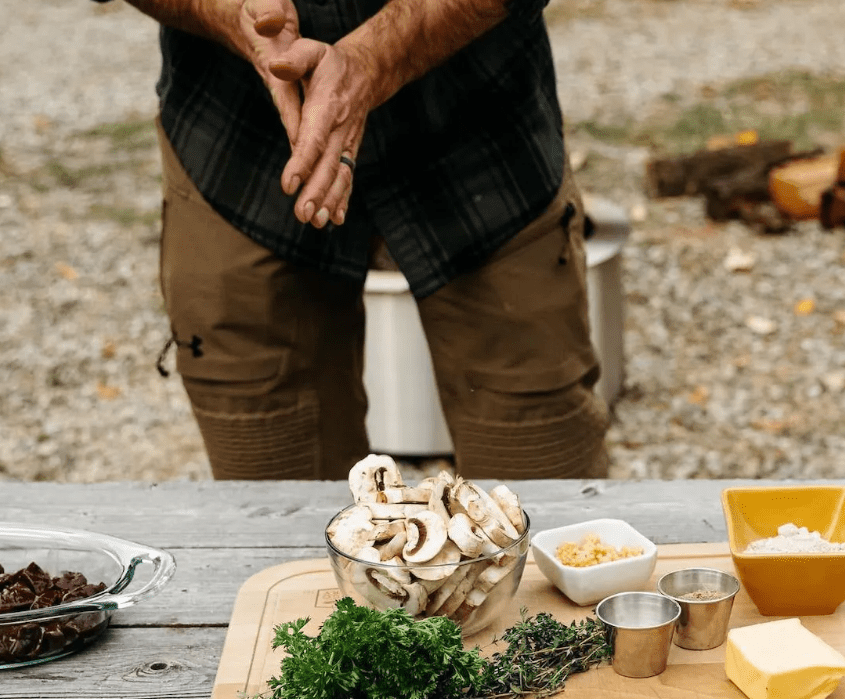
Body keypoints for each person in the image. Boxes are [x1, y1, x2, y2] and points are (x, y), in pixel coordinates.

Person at [97, 0, 610, 480]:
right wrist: (230, 13)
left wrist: (374, 59)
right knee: (275, 522)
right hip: (238, 141)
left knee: (548, 506)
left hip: (481, 128)